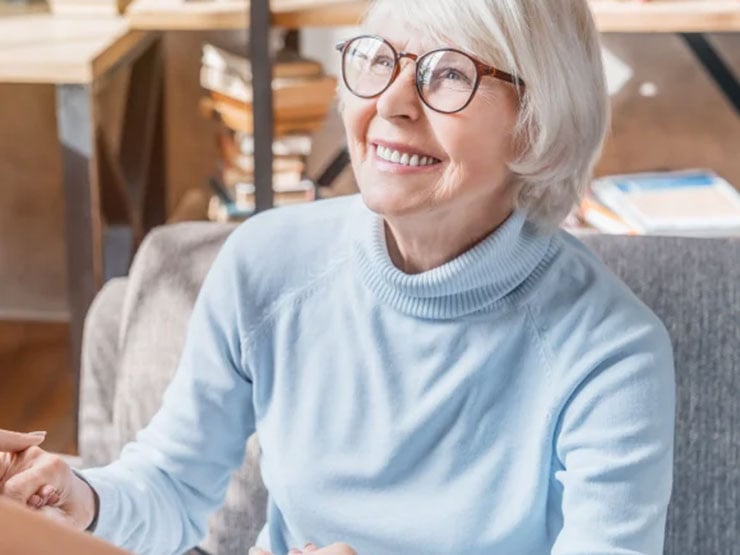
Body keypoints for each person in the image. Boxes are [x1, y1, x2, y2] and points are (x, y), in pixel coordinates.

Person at [0, 0, 675, 553]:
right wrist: (76, 496)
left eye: (446, 74)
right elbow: (172, 485)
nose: (392, 103)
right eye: (377, 60)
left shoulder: (613, 354)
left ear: (537, 123)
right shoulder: (266, 263)